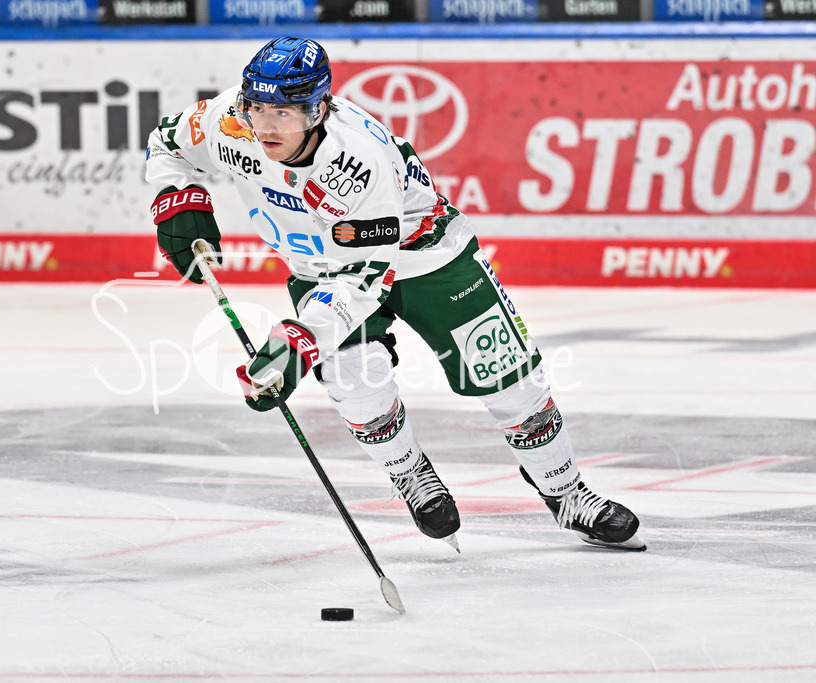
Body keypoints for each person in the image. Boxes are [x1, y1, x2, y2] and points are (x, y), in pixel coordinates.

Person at [145, 36, 645, 552]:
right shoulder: (230, 120)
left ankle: (567, 494)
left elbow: (365, 275)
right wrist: (178, 198)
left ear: (319, 109)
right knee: (357, 384)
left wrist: (300, 339)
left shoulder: (356, 160)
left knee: (510, 381)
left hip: (429, 258)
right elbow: (167, 143)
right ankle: (410, 473)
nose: (267, 126)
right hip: (321, 267)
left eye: (285, 112)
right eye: (258, 107)